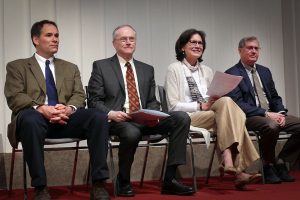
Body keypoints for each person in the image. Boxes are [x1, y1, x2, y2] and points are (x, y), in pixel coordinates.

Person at [4, 20, 110, 200]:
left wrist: (68, 108)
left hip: (64, 119)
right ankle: (40, 187)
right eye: (49, 35)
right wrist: (41, 108)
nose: (55, 39)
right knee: (30, 118)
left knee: (98, 117)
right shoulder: (17, 66)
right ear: (36, 39)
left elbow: (79, 95)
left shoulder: (70, 67)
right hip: (35, 120)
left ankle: (99, 184)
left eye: (57, 36)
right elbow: (15, 96)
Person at [88, 24, 194, 197]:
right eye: (123, 39)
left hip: (144, 120)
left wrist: (153, 114)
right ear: (114, 43)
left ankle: (170, 179)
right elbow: (93, 101)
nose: (128, 42)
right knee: (131, 132)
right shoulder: (101, 66)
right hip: (119, 120)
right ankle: (123, 180)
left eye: (132, 39)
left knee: (181, 118)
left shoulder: (147, 69)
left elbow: (152, 101)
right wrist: (111, 114)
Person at [164, 29, 261, 190]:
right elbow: (173, 105)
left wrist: (215, 99)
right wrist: (200, 106)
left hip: (211, 115)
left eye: (200, 43)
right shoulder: (174, 69)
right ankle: (233, 163)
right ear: (182, 47)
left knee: (226, 104)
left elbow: (215, 99)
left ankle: (232, 166)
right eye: (193, 42)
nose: (197, 46)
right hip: (187, 117)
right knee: (232, 114)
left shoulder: (207, 71)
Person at [225, 36, 300, 184]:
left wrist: (281, 113)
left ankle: (281, 161)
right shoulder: (232, 73)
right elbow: (238, 104)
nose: (253, 51)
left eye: (256, 48)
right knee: (271, 126)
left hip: (272, 113)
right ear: (240, 51)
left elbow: (275, 97)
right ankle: (267, 165)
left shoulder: (265, 71)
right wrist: (265, 114)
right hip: (250, 117)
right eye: (249, 48)